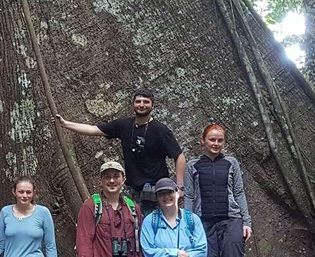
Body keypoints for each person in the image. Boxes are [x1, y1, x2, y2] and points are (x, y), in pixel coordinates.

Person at [56, 91, 185, 214]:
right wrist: (65, 124)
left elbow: (179, 156)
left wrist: (179, 187)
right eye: (138, 101)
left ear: (152, 105)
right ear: (133, 104)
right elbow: (94, 130)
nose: (141, 105)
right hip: (132, 190)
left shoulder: (161, 130)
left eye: (146, 102)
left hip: (156, 192)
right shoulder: (124, 125)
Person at [183, 125, 251, 257]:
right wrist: (188, 223)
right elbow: (189, 196)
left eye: (220, 140)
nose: (216, 143)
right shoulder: (192, 165)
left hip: (231, 221)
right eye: (212, 139)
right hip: (203, 222)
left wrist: (246, 223)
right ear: (203, 140)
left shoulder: (231, 163)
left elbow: (239, 193)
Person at [77, 161, 143, 257]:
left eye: (116, 176)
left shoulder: (132, 207)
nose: (112, 181)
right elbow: (84, 242)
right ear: (100, 181)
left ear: (123, 179)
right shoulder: (91, 206)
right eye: (107, 177)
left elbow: (139, 242)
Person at [0, 177, 57, 257]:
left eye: (28, 192)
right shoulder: (5, 212)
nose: (25, 195)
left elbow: (50, 246)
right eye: (21, 192)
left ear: (33, 193)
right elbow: (0, 245)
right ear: (14, 192)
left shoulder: (43, 212)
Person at [140, 178, 207, 257]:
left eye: (170, 192)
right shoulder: (150, 221)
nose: (166, 196)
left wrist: (187, 255)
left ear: (177, 193)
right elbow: (148, 250)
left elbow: (202, 250)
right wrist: (175, 254)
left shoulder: (192, 219)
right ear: (157, 198)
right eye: (161, 194)